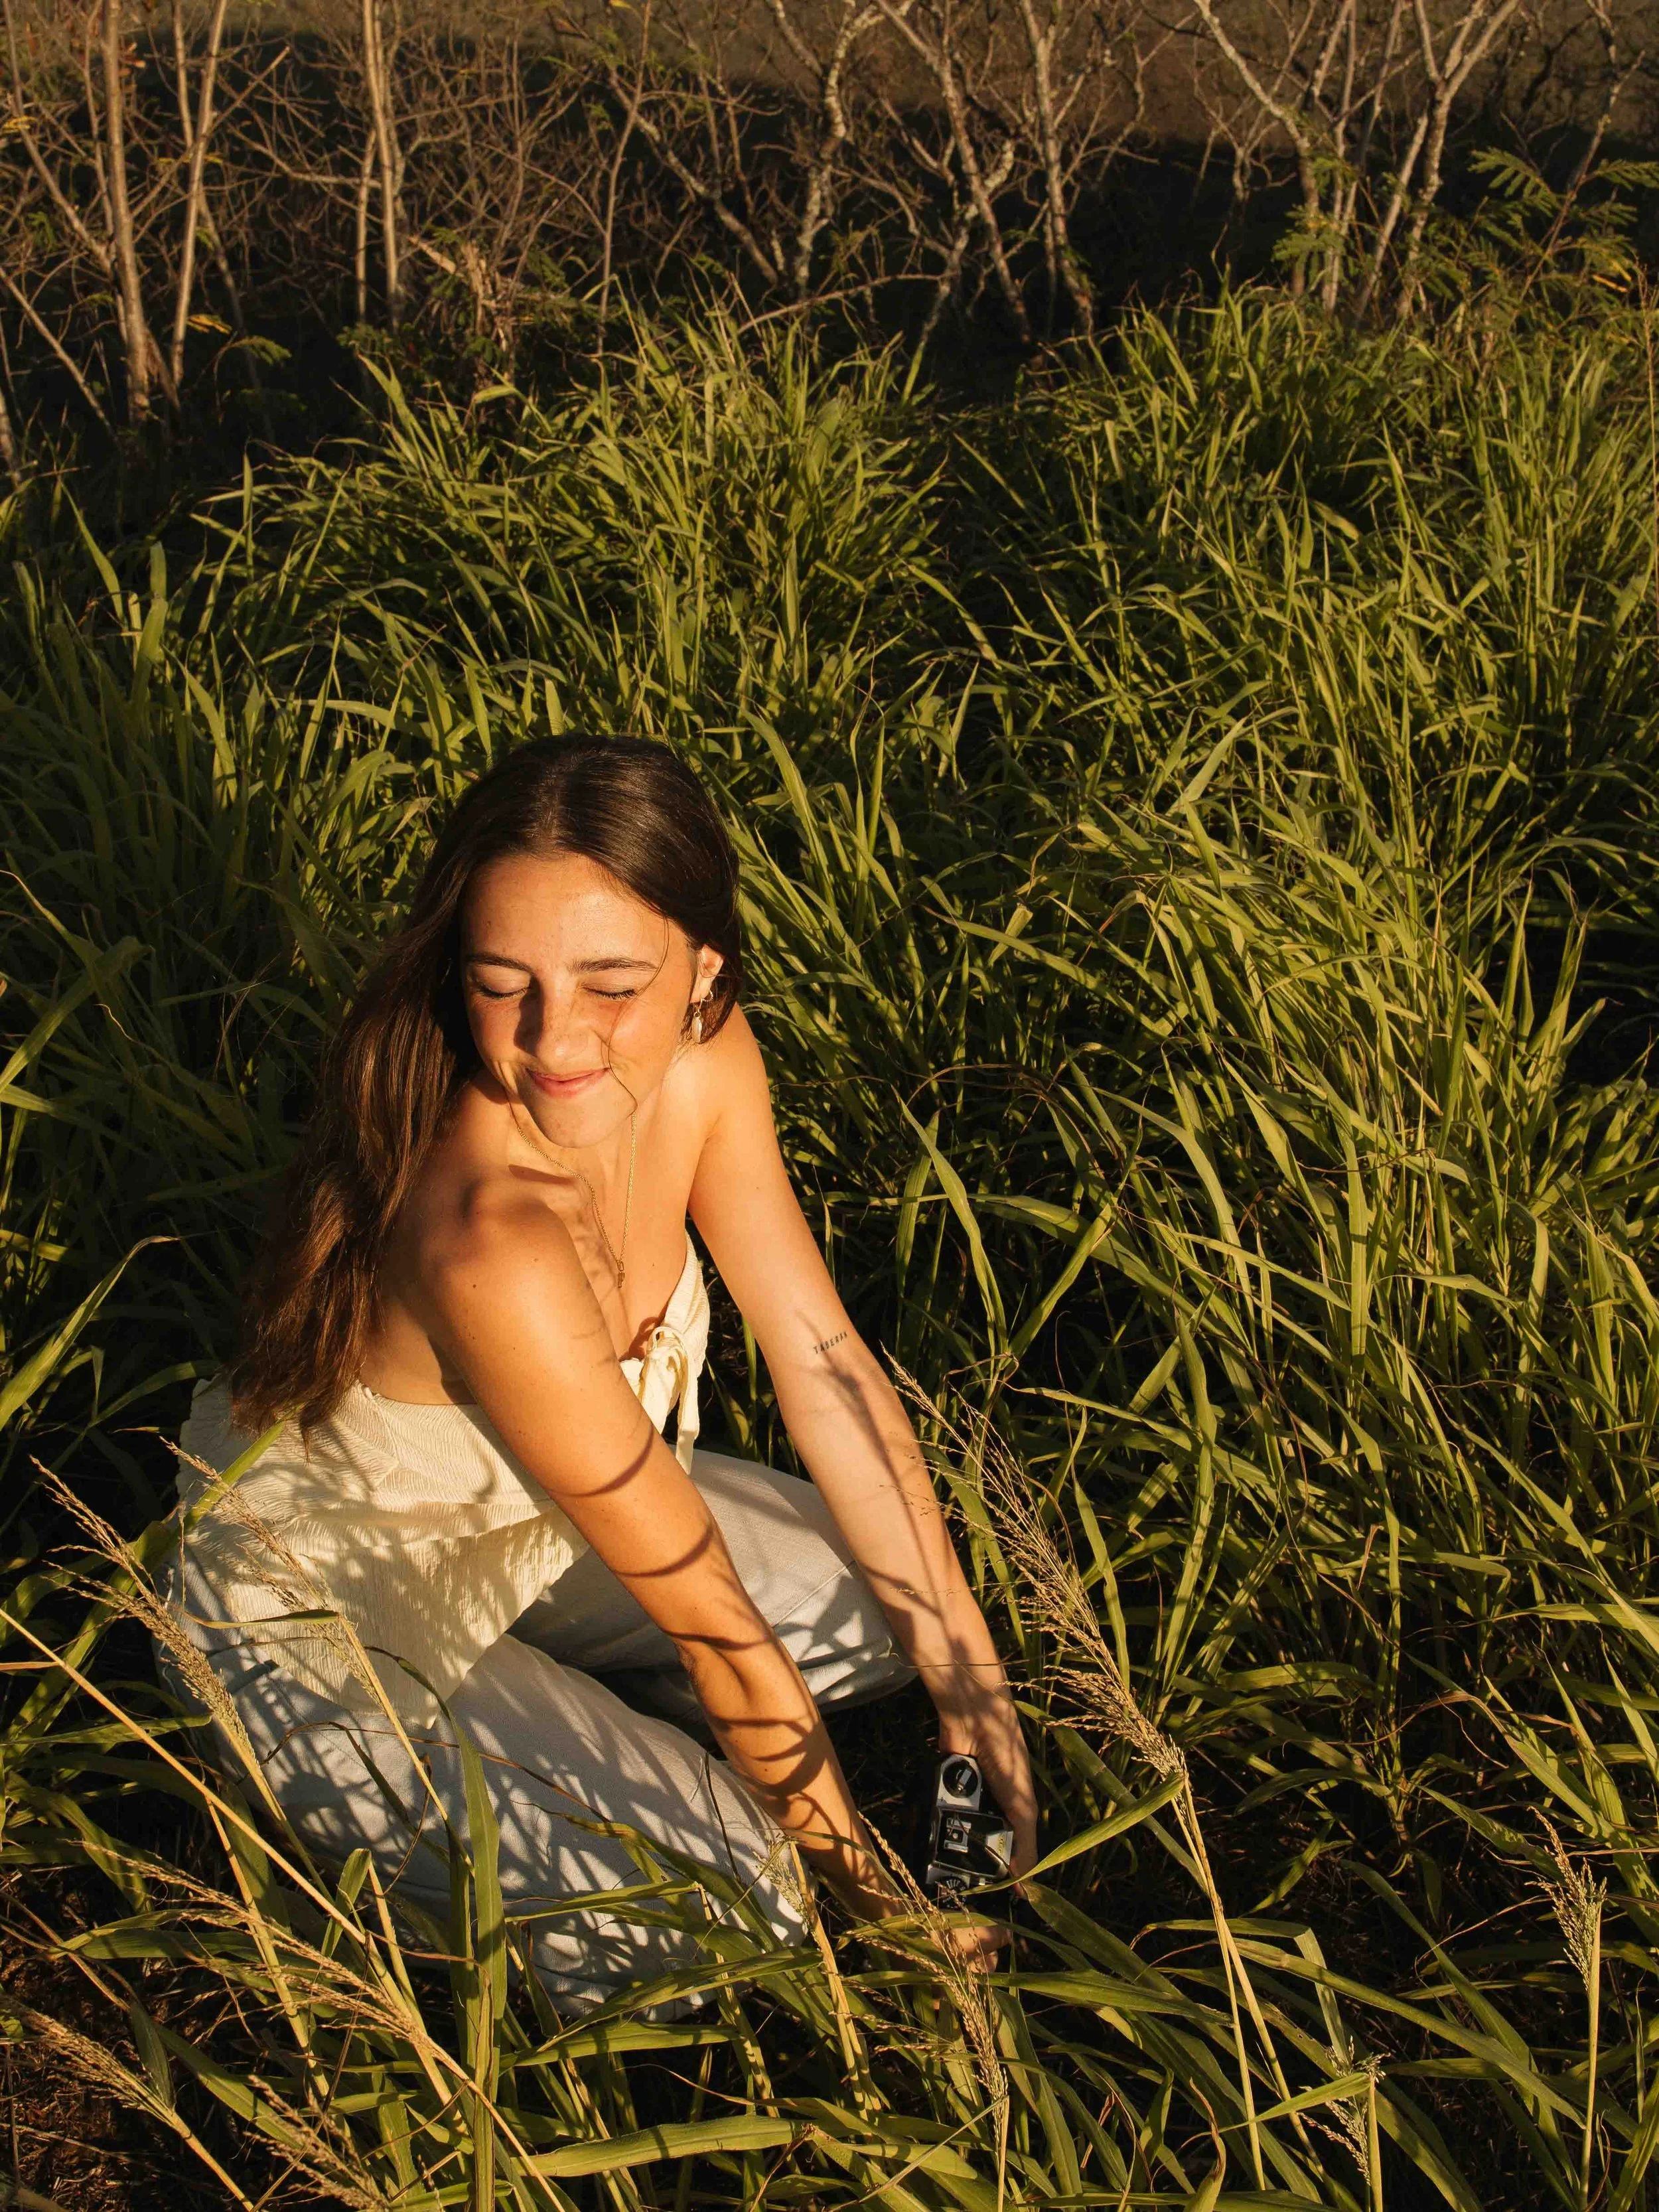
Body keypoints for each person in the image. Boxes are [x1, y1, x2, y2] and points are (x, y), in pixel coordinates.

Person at [162, 733, 1036, 2011]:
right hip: (336, 1615)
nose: (555, 1042)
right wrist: (890, 1917)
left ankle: (558, 1712)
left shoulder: (707, 1061)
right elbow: (717, 1626)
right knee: (734, 1912)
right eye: (500, 983)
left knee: (880, 1603)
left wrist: (976, 1685)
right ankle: (338, 1788)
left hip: (524, 1536)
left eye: (611, 983)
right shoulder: (492, 1236)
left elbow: (821, 1354)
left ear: (702, 973)